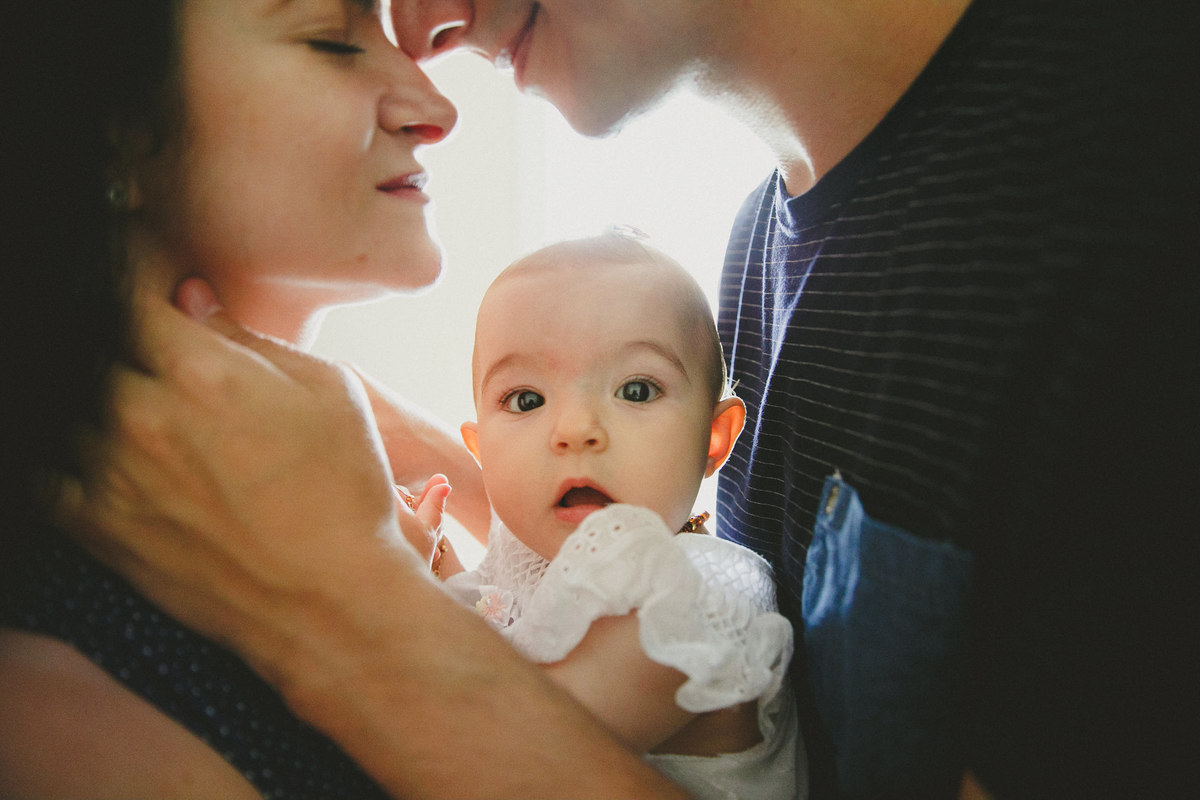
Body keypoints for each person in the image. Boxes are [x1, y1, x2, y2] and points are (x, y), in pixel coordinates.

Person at [51, 0, 1198, 798]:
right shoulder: (762, 255)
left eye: (636, 389)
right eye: (330, 35)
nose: (429, 43)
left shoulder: (1142, 175)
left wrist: (348, 611)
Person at [1, 1, 684, 797]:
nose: (437, 110)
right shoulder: (52, 693)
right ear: (114, 121)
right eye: (332, 41)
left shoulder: (351, 518)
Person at [435, 231, 800, 798]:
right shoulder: (520, 555)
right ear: (480, 453)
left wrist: (395, 590)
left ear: (713, 437)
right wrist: (437, 575)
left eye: (635, 389)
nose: (576, 428)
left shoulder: (697, 591)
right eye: (527, 400)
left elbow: (499, 755)